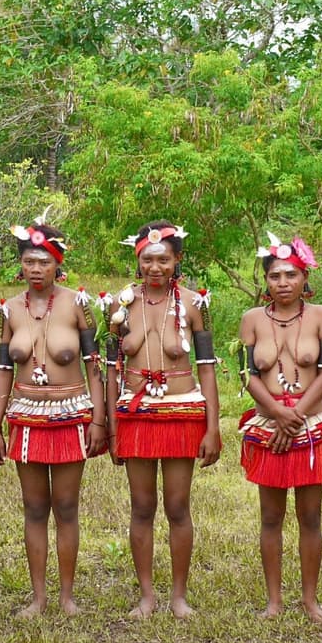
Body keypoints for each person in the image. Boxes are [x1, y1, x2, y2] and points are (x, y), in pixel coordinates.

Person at [0, 215, 105, 618]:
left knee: (67, 506)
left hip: (70, 413)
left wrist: (99, 420)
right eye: (29, 261)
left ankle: (67, 597)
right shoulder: (8, 311)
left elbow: (94, 366)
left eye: (44, 262)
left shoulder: (79, 304)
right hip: (25, 415)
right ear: (20, 263)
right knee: (34, 507)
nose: (36, 269)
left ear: (58, 264)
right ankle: (38, 597)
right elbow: (4, 370)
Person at [104, 221, 221, 619]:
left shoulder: (193, 304)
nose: (156, 266)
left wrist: (212, 426)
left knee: (177, 505)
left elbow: (206, 368)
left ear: (177, 261)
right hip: (136, 414)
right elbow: (112, 370)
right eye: (148, 259)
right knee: (141, 506)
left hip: (182, 411)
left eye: (164, 259)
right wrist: (112, 427)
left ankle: (178, 596)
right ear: (137, 262)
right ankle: (147, 596)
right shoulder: (120, 307)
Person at [238, 233, 322, 622]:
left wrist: (296, 415)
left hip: (310, 424)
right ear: (265, 281)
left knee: (310, 515)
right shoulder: (252, 320)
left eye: (291, 274)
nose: (283, 282)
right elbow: (247, 374)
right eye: (275, 276)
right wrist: (276, 412)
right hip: (269, 425)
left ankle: (310, 600)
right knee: (270, 516)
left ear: (305, 278)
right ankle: (273, 600)